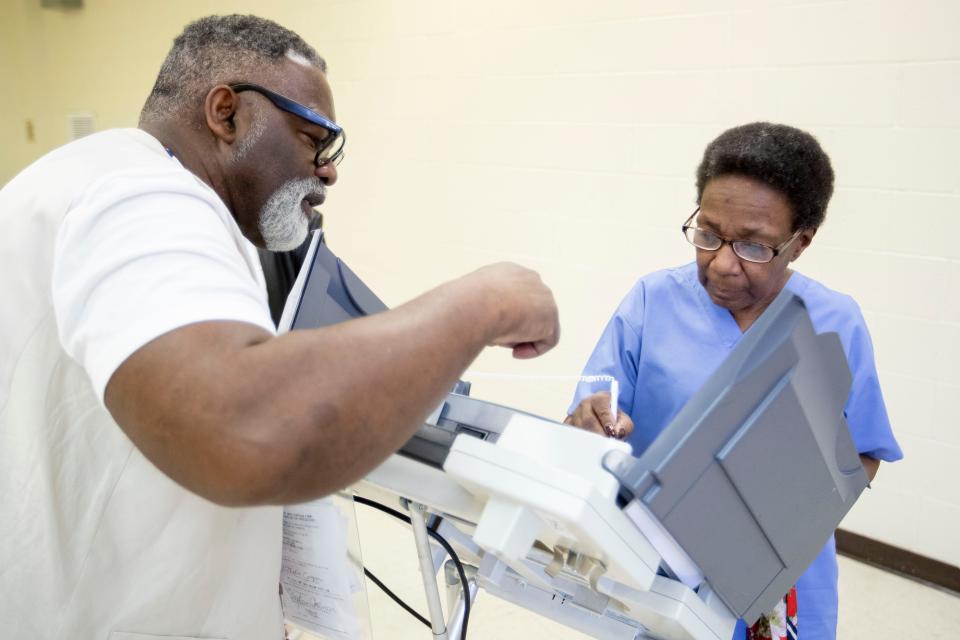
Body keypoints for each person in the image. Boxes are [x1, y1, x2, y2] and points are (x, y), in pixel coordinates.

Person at [0, 14, 558, 640]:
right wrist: (482, 303)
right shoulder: (141, 201)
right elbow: (242, 427)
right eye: (313, 138)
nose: (328, 171)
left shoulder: (98, 179)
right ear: (226, 113)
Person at [565, 122, 902, 640]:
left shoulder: (835, 321)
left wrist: (785, 521)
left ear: (800, 243)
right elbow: (592, 404)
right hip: (659, 566)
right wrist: (590, 419)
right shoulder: (653, 301)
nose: (721, 264)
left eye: (753, 246)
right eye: (707, 234)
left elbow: (863, 454)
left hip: (780, 574)